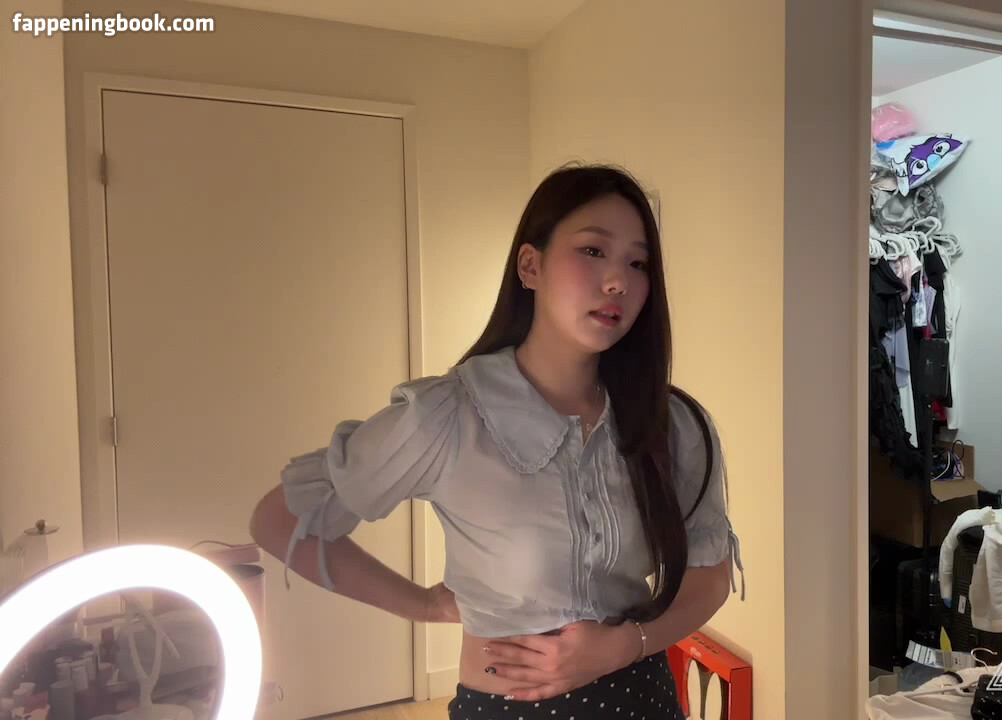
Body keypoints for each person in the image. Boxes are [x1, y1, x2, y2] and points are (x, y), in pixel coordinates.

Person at [249, 163, 745, 719]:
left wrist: (622, 646)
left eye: (638, 263)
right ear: (530, 265)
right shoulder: (449, 414)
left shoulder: (671, 423)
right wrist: (425, 604)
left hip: (643, 700)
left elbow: (710, 575)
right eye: (592, 251)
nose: (617, 282)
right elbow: (279, 519)